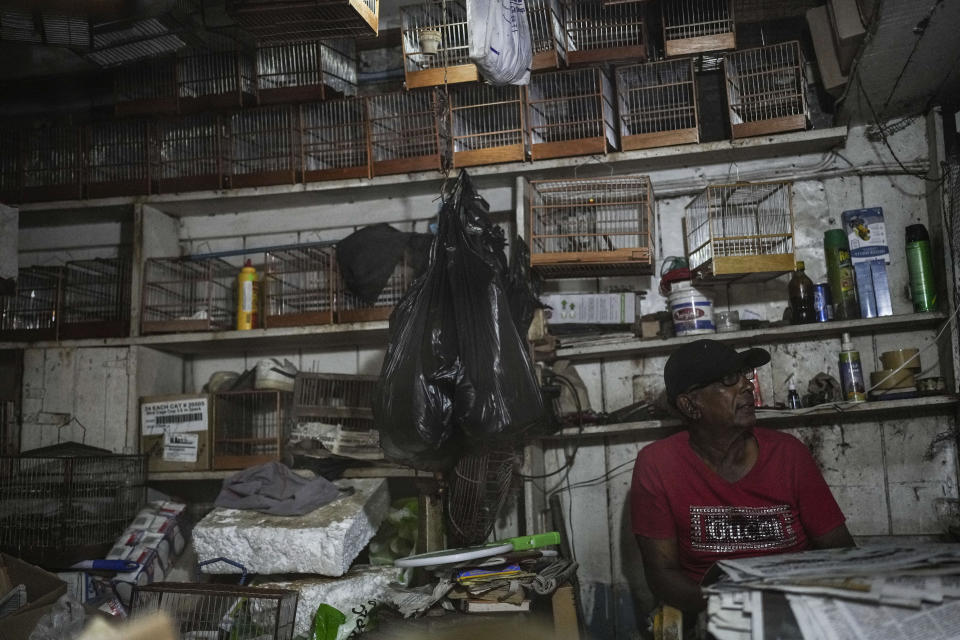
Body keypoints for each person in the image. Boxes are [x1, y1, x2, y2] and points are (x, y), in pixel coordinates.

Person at [631, 339, 855, 613]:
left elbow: (842, 554)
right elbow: (662, 575)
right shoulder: (658, 464)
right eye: (729, 379)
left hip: (796, 610)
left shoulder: (788, 453)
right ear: (690, 405)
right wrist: (736, 607)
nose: (748, 386)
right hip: (713, 612)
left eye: (745, 376)